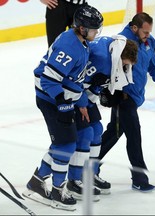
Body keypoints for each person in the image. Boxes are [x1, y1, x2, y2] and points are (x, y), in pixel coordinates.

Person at [22, 5, 103, 211]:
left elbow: (75, 78)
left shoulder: (80, 42)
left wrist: (80, 102)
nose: (96, 33)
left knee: (73, 138)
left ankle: (37, 182)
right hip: (50, 98)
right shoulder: (70, 46)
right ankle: (57, 190)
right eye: (93, 29)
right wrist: (63, 105)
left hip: (63, 98)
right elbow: (49, 80)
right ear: (82, 28)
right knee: (66, 144)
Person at [96, 12, 155, 192]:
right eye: (145, 32)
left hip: (136, 96)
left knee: (113, 134)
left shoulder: (149, 42)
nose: (148, 35)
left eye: (149, 32)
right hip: (123, 98)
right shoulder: (121, 43)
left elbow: (153, 66)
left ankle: (89, 165)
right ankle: (140, 178)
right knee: (134, 136)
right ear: (134, 28)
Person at [66, 35, 138, 199]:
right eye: (125, 63)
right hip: (71, 94)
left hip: (83, 94)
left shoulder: (114, 46)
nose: (125, 67)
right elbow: (78, 81)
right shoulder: (102, 60)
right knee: (85, 135)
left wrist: (97, 92)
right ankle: (74, 180)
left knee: (97, 130)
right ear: (120, 56)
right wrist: (83, 102)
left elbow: (93, 82)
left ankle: (89, 174)